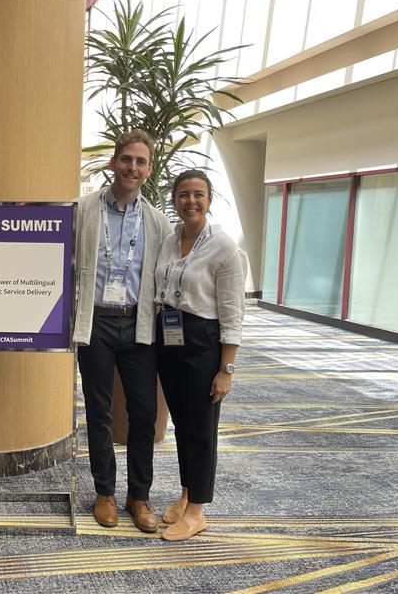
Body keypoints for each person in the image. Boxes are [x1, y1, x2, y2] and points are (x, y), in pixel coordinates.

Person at [73, 130, 173, 531]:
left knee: (144, 413)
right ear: (114, 163)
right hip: (96, 321)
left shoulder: (157, 221)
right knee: (97, 411)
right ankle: (105, 493)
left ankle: (139, 496)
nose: (132, 166)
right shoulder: (83, 210)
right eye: (126, 159)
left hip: (138, 326)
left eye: (141, 161)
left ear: (148, 170)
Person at [154, 169, 247, 541]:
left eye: (198, 194)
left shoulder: (223, 247)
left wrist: (226, 368)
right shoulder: (170, 239)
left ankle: (197, 512)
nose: (190, 201)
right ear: (174, 200)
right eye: (183, 195)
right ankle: (186, 494)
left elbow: (233, 312)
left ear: (209, 199)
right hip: (170, 338)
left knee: (202, 429)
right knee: (183, 425)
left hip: (204, 340)